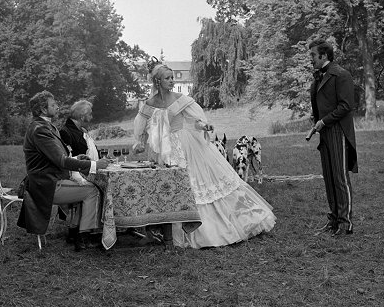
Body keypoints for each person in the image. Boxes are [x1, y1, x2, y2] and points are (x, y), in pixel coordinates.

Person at [133, 58, 276, 249]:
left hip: (185, 145)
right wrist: (139, 143)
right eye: (167, 78)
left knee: (196, 185)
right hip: (164, 151)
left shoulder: (180, 99)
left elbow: (195, 120)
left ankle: (216, 229)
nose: (172, 81)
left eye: (172, 77)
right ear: (158, 82)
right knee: (169, 188)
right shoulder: (150, 103)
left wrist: (204, 125)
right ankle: (165, 230)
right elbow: (142, 128)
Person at [17, 91, 110, 250]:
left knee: (87, 187)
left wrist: (76, 159)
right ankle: (83, 239)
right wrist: (94, 165)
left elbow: (57, 158)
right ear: (43, 109)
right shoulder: (40, 130)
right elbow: (60, 161)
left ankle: (74, 233)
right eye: (53, 105)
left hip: (49, 180)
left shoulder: (45, 126)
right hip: (46, 184)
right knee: (93, 191)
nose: (57, 107)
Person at [309, 39, 358, 236]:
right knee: (329, 178)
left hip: (338, 131)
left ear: (324, 55)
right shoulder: (318, 77)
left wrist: (324, 121)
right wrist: (317, 119)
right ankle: (334, 220)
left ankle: (345, 223)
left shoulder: (342, 75)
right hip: (325, 133)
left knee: (339, 177)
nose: (310, 59)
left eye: (313, 55)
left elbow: (346, 106)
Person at [59, 99, 102, 246]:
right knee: (96, 189)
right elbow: (67, 160)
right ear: (83, 116)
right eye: (90, 114)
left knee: (101, 186)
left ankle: (80, 230)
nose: (91, 117)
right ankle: (84, 233)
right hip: (74, 174)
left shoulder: (81, 131)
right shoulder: (65, 132)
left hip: (86, 170)